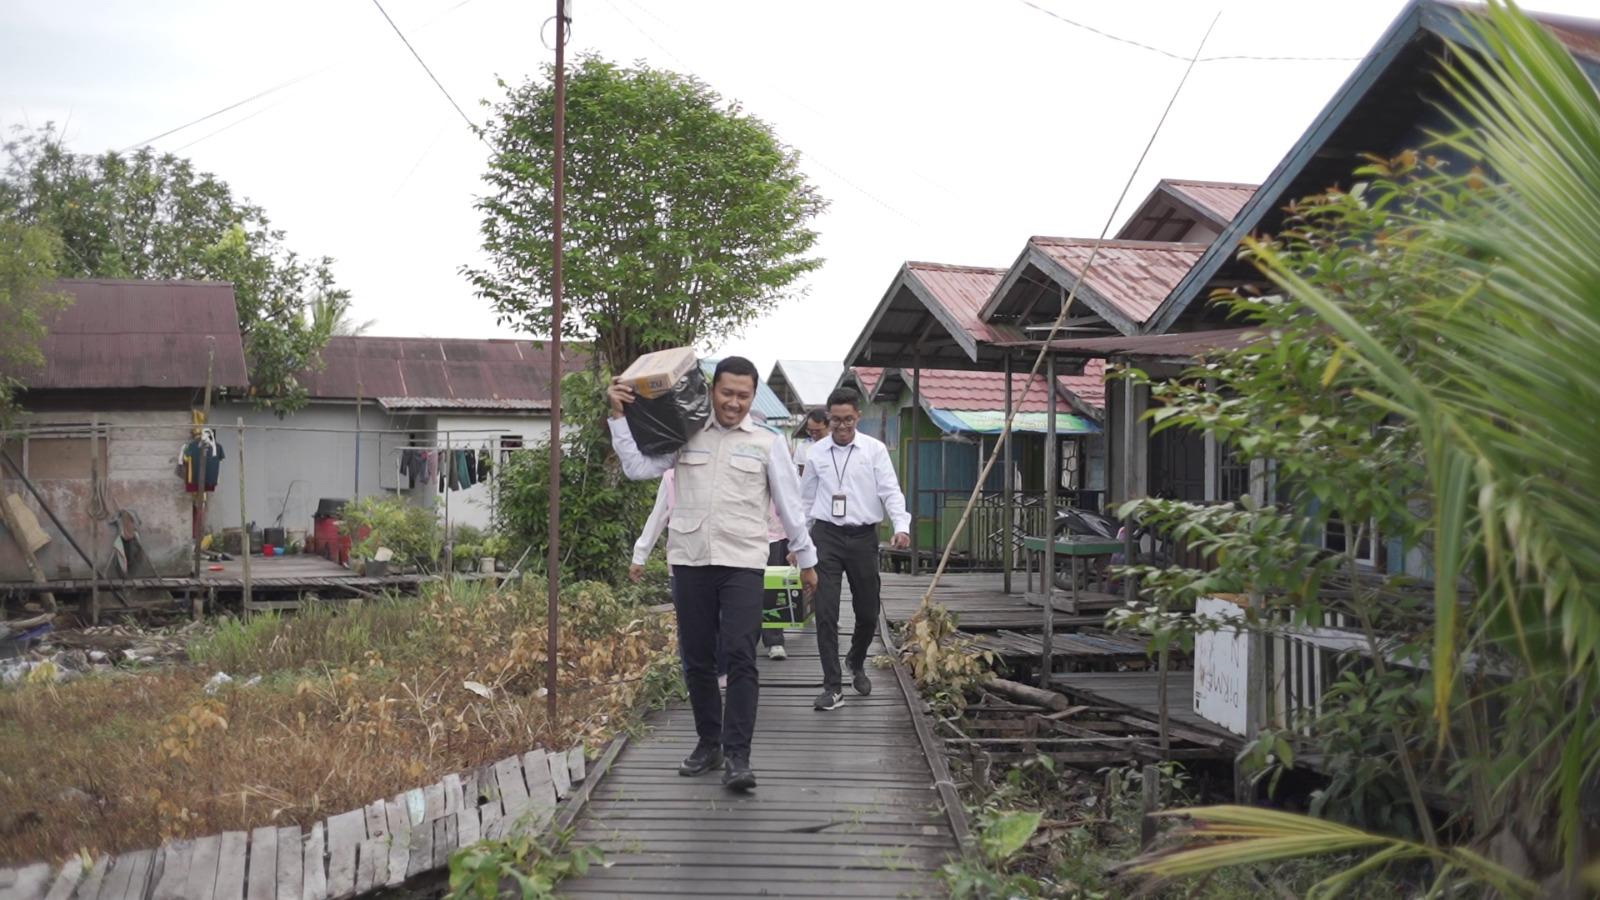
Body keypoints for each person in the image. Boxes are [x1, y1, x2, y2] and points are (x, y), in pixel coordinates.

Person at [609, 356, 818, 792]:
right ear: (711, 391)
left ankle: (739, 756)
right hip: (689, 559)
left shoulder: (767, 441)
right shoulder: (685, 433)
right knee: (697, 657)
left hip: (743, 560)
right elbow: (638, 468)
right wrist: (617, 415)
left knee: (741, 655)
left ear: (751, 396)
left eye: (743, 395)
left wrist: (806, 558)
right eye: (727, 393)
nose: (734, 403)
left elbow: (789, 505)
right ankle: (710, 742)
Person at [800, 387, 911, 712]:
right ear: (828, 418)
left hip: (863, 537)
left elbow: (891, 490)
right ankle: (832, 687)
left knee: (867, 613)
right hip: (826, 538)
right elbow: (805, 501)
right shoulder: (816, 454)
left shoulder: (874, 450)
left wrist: (901, 526)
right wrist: (799, 543)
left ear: (858, 416)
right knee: (826, 612)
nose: (842, 426)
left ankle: (856, 659)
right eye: (836, 420)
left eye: (848, 419)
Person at [629, 471, 791, 675]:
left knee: (729, 619)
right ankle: (701, 674)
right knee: (693, 627)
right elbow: (658, 515)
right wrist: (640, 555)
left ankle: (725, 669)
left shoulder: (726, 468)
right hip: (684, 561)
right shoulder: (672, 475)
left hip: (726, 559)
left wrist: (794, 543)